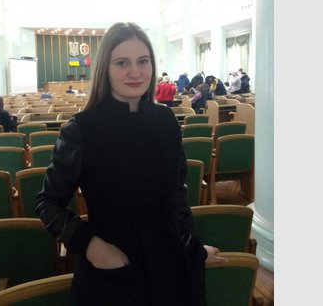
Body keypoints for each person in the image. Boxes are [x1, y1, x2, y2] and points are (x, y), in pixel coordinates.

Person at [35, 22, 222, 306]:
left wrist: (193, 247)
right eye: (122, 63)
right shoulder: (82, 128)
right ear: (105, 69)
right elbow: (48, 202)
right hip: (114, 265)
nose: (135, 72)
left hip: (170, 263)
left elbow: (177, 196)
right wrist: (90, 245)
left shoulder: (166, 120)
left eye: (142, 61)